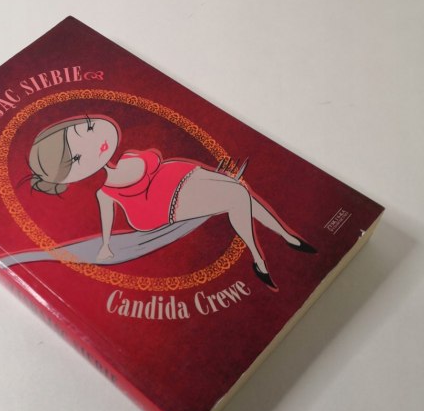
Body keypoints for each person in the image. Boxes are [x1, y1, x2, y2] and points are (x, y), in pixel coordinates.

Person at [25, 114, 316, 291]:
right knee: (238, 195)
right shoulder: (105, 192)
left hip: (177, 175)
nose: (96, 143)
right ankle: (259, 258)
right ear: (71, 176)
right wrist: (105, 246)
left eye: (89, 127)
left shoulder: (126, 157)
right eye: (77, 158)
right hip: (158, 204)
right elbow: (107, 220)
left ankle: (286, 236)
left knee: (240, 191)